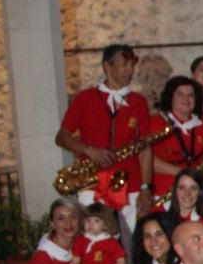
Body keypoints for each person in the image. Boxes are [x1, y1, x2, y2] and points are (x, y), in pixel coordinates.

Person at [55, 44, 153, 233]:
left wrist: (145, 187)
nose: (130, 70)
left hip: (130, 185)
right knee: (92, 239)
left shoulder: (139, 102)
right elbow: (61, 137)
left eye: (132, 65)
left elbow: (145, 148)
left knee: (133, 241)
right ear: (106, 67)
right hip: (92, 183)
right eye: (124, 65)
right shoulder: (84, 99)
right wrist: (89, 150)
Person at [149, 76, 203, 201]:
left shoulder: (202, 127)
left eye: (191, 95)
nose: (186, 99)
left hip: (194, 194)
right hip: (163, 191)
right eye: (180, 94)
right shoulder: (156, 122)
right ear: (170, 97)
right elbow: (148, 160)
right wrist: (183, 172)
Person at [164, 168, 203, 233]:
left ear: (200, 192)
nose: (187, 194)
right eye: (182, 188)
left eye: (193, 188)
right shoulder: (160, 212)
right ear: (175, 190)